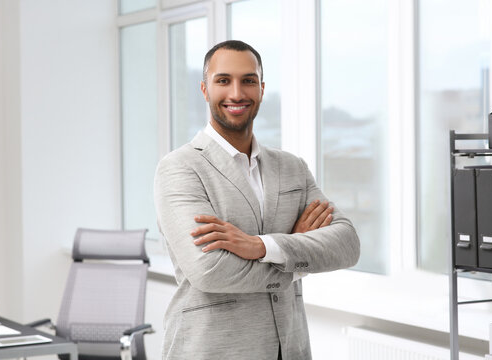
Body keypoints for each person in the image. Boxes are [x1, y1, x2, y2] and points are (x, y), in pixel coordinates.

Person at [154, 40, 360, 360]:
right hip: (213, 350)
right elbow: (210, 270)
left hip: (290, 349)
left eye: (248, 80)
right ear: (205, 89)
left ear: (261, 89)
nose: (237, 93)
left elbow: (347, 244)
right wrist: (294, 253)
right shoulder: (179, 168)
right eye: (223, 80)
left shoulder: (292, 167)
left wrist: (262, 247)